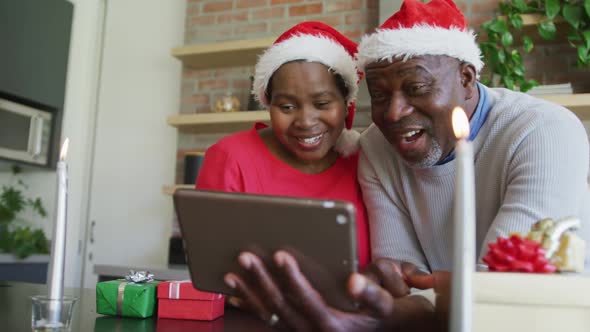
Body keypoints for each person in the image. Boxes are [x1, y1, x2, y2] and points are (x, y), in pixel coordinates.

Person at [223, 0, 590, 330]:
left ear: (466, 78)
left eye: (416, 88)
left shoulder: (543, 131)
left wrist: (419, 300)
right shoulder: (376, 147)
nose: (394, 113)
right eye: (380, 95)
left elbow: (503, 286)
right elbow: (401, 277)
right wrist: (404, 297)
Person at [196, 22, 370, 268]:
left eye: (322, 104)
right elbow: (210, 263)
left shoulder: (366, 161)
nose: (305, 122)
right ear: (269, 104)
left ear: (346, 103)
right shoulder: (231, 158)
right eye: (287, 107)